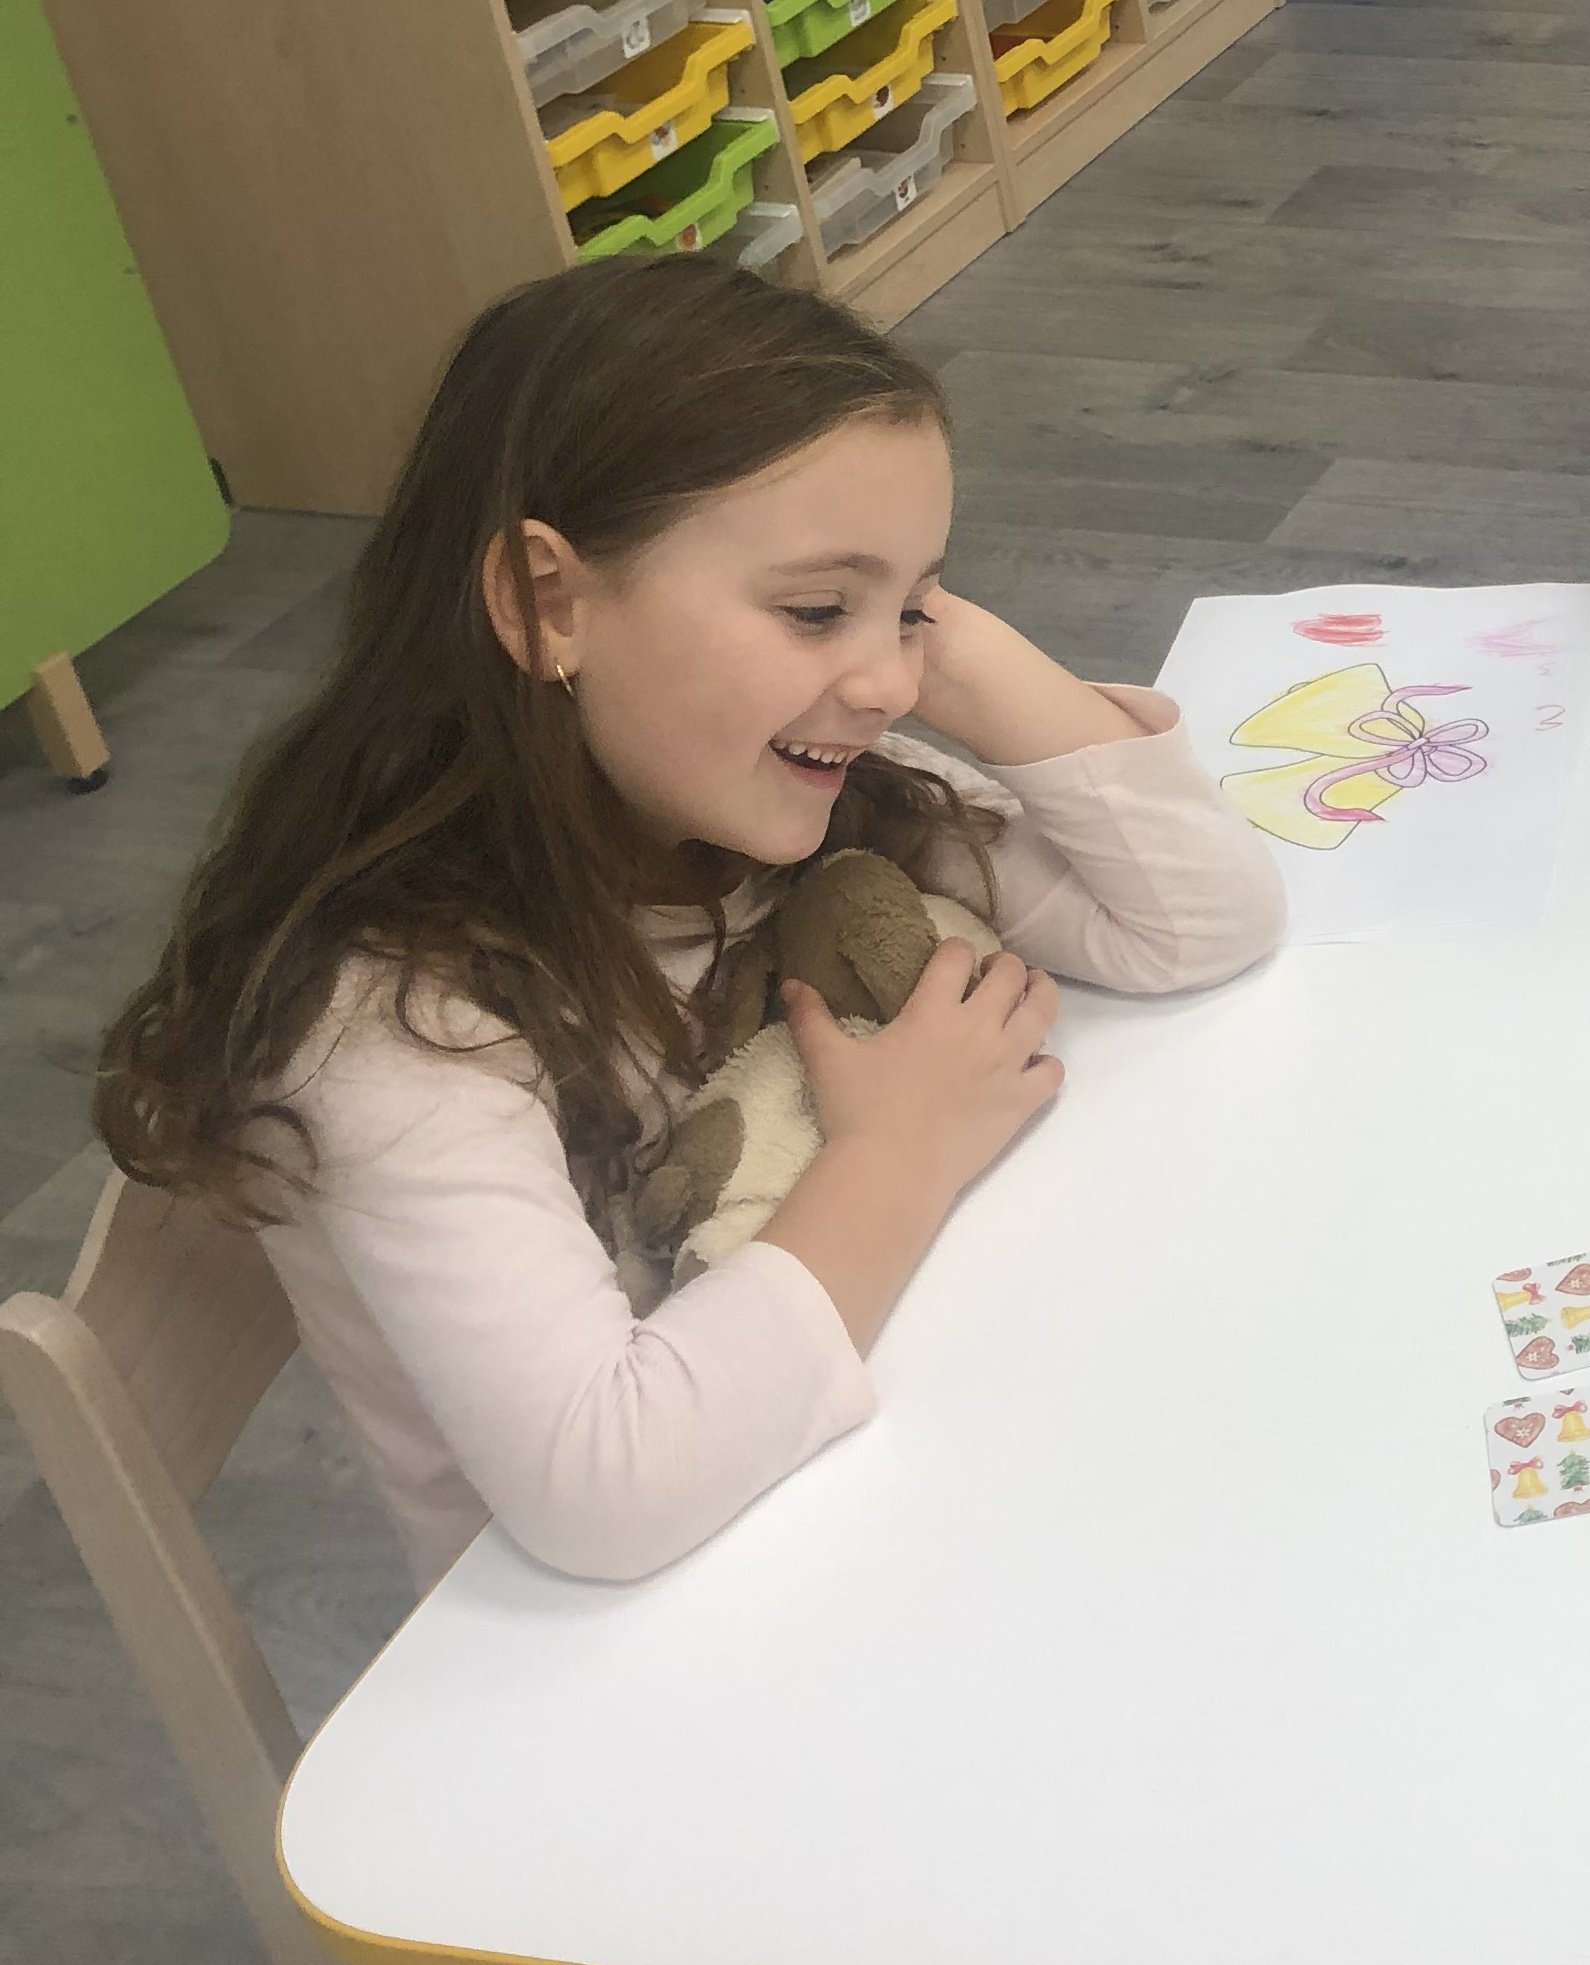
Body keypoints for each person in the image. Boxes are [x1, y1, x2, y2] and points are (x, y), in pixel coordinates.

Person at [95, 260, 1284, 1592]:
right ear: (548, 604)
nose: (890, 681)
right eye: (815, 608)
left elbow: (1199, 919)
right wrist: (898, 1152)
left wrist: (916, 634)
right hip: (633, 1636)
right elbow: (608, 1488)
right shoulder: (392, 1019)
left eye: (914, 610)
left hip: (857, 1493)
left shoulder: (782, 786)